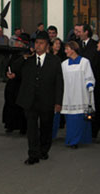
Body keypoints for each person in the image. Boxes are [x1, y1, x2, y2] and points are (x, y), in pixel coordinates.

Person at [11, 31, 63, 165]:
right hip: (30, 100)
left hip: (47, 100)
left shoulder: (55, 61)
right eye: (37, 43)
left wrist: (58, 102)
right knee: (32, 128)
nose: (38, 46)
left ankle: (44, 150)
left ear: (47, 46)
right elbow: (13, 68)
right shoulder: (28, 59)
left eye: (42, 43)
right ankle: (33, 154)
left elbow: (59, 83)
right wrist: (24, 57)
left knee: (46, 127)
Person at [61, 41, 95, 148]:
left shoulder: (84, 62)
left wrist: (89, 84)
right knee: (71, 119)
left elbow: (89, 75)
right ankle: (72, 140)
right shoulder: (64, 64)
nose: (65, 51)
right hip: (68, 95)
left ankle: (83, 139)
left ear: (73, 49)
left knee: (81, 118)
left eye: (67, 49)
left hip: (81, 94)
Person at [3, 34, 30, 134]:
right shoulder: (14, 54)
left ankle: (22, 126)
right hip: (12, 84)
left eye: (19, 43)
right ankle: (11, 124)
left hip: (20, 85)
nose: (17, 44)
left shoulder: (26, 56)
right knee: (10, 104)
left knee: (20, 106)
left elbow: (26, 71)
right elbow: (8, 66)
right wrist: (7, 73)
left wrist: (17, 75)